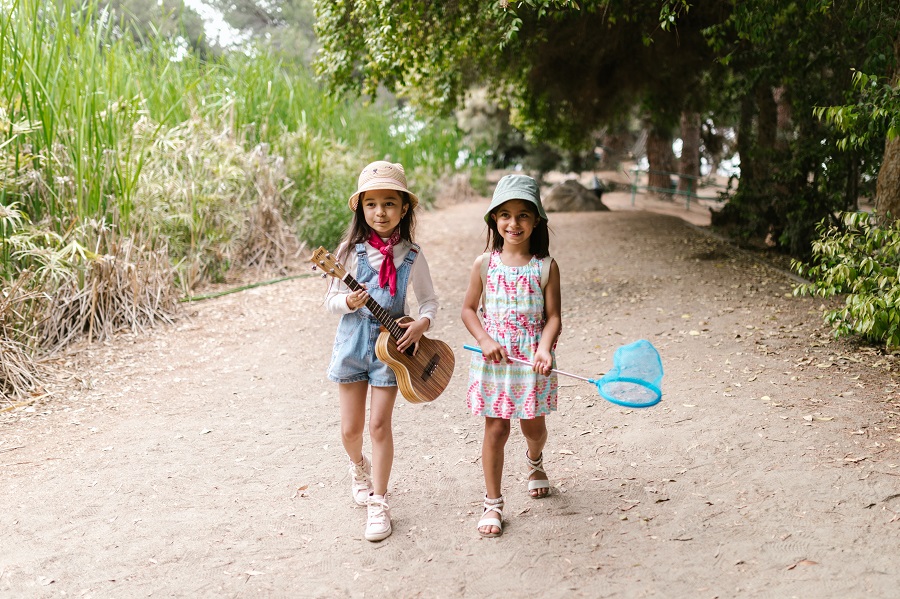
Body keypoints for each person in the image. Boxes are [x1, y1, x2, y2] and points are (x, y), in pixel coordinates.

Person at [324, 161, 438, 542]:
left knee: (378, 426)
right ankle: (358, 466)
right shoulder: (348, 252)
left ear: (404, 208)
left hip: (393, 353)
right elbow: (330, 301)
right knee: (351, 429)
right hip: (353, 348)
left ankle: (380, 500)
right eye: (371, 204)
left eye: (389, 203)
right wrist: (349, 303)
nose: (380, 212)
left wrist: (421, 324)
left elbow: (428, 303)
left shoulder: (411, 254)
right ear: (361, 209)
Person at [460, 174, 562, 537]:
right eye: (504, 214)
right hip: (495, 362)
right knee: (497, 428)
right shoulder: (484, 264)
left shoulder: (546, 266)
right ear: (494, 221)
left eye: (522, 215)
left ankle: (535, 461)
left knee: (533, 427)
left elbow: (553, 318)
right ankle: (493, 503)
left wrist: (545, 348)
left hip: (532, 362)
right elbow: (469, 310)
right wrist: (485, 339)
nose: (513, 223)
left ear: (536, 220)